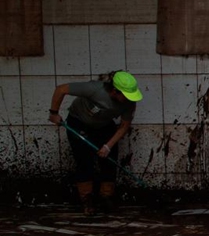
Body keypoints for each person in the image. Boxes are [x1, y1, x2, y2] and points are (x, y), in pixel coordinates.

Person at [48, 71, 143, 214]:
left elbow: (124, 126)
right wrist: (53, 113)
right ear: (115, 91)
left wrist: (108, 146)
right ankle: (87, 199)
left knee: (109, 159)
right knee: (84, 161)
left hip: (103, 125)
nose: (129, 99)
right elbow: (61, 89)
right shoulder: (95, 89)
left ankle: (106, 197)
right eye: (125, 95)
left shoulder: (129, 103)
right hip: (79, 123)